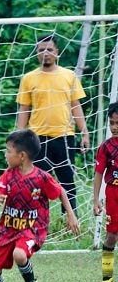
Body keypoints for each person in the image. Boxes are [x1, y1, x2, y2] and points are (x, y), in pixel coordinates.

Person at [0, 129, 80, 282]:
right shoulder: (9, 174)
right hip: (8, 228)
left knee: (19, 254)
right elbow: (0, 190)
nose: (5, 155)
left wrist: (71, 214)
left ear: (22, 156)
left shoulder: (42, 177)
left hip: (33, 227)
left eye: (8, 151)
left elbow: (60, 190)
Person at [16, 34, 89, 216]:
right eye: (41, 50)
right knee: (36, 183)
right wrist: (19, 138)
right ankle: (37, 220)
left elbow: (76, 106)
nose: (45, 53)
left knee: (67, 182)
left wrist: (85, 133)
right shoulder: (29, 78)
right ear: (37, 53)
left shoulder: (69, 76)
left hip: (65, 138)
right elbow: (24, 109)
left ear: (57, 52)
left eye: (49, 49)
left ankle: (70, 221)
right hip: (37, 139)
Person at [93, 102, 118, 282]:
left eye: (117, 123)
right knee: (111, 235)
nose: (114, 127)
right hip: (113, 193)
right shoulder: (106, 147)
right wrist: (96, 200)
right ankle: (107, 278)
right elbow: (99, 174)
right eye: (111, 123)